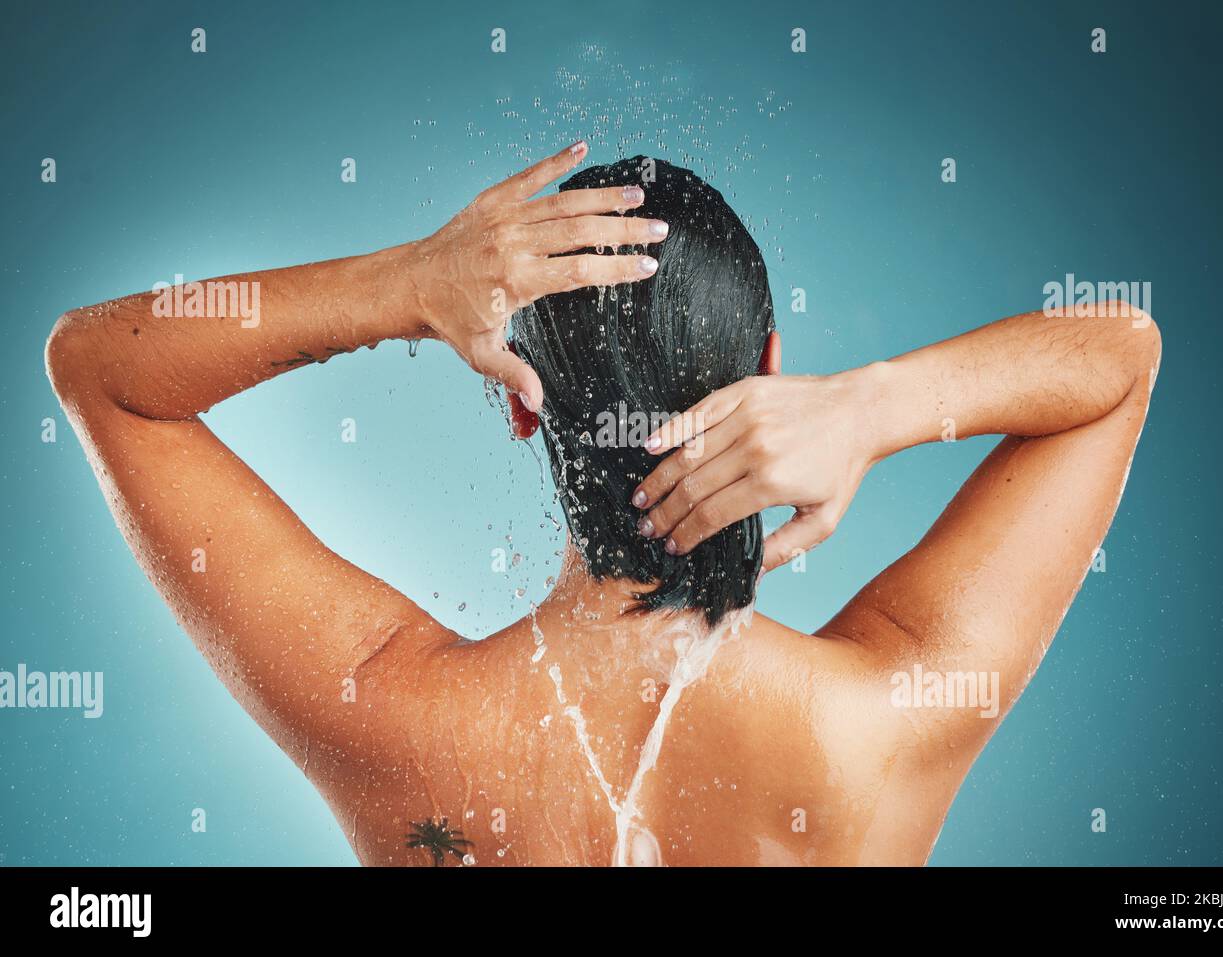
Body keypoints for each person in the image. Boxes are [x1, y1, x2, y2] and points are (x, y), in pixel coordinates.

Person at [45, 141, 1161, 866]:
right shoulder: (883, 717)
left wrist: (399, 287)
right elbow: (1117, 352)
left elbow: (102, 368)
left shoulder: (386, 713)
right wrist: (873, 406)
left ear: (521, 408)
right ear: (769, 367)